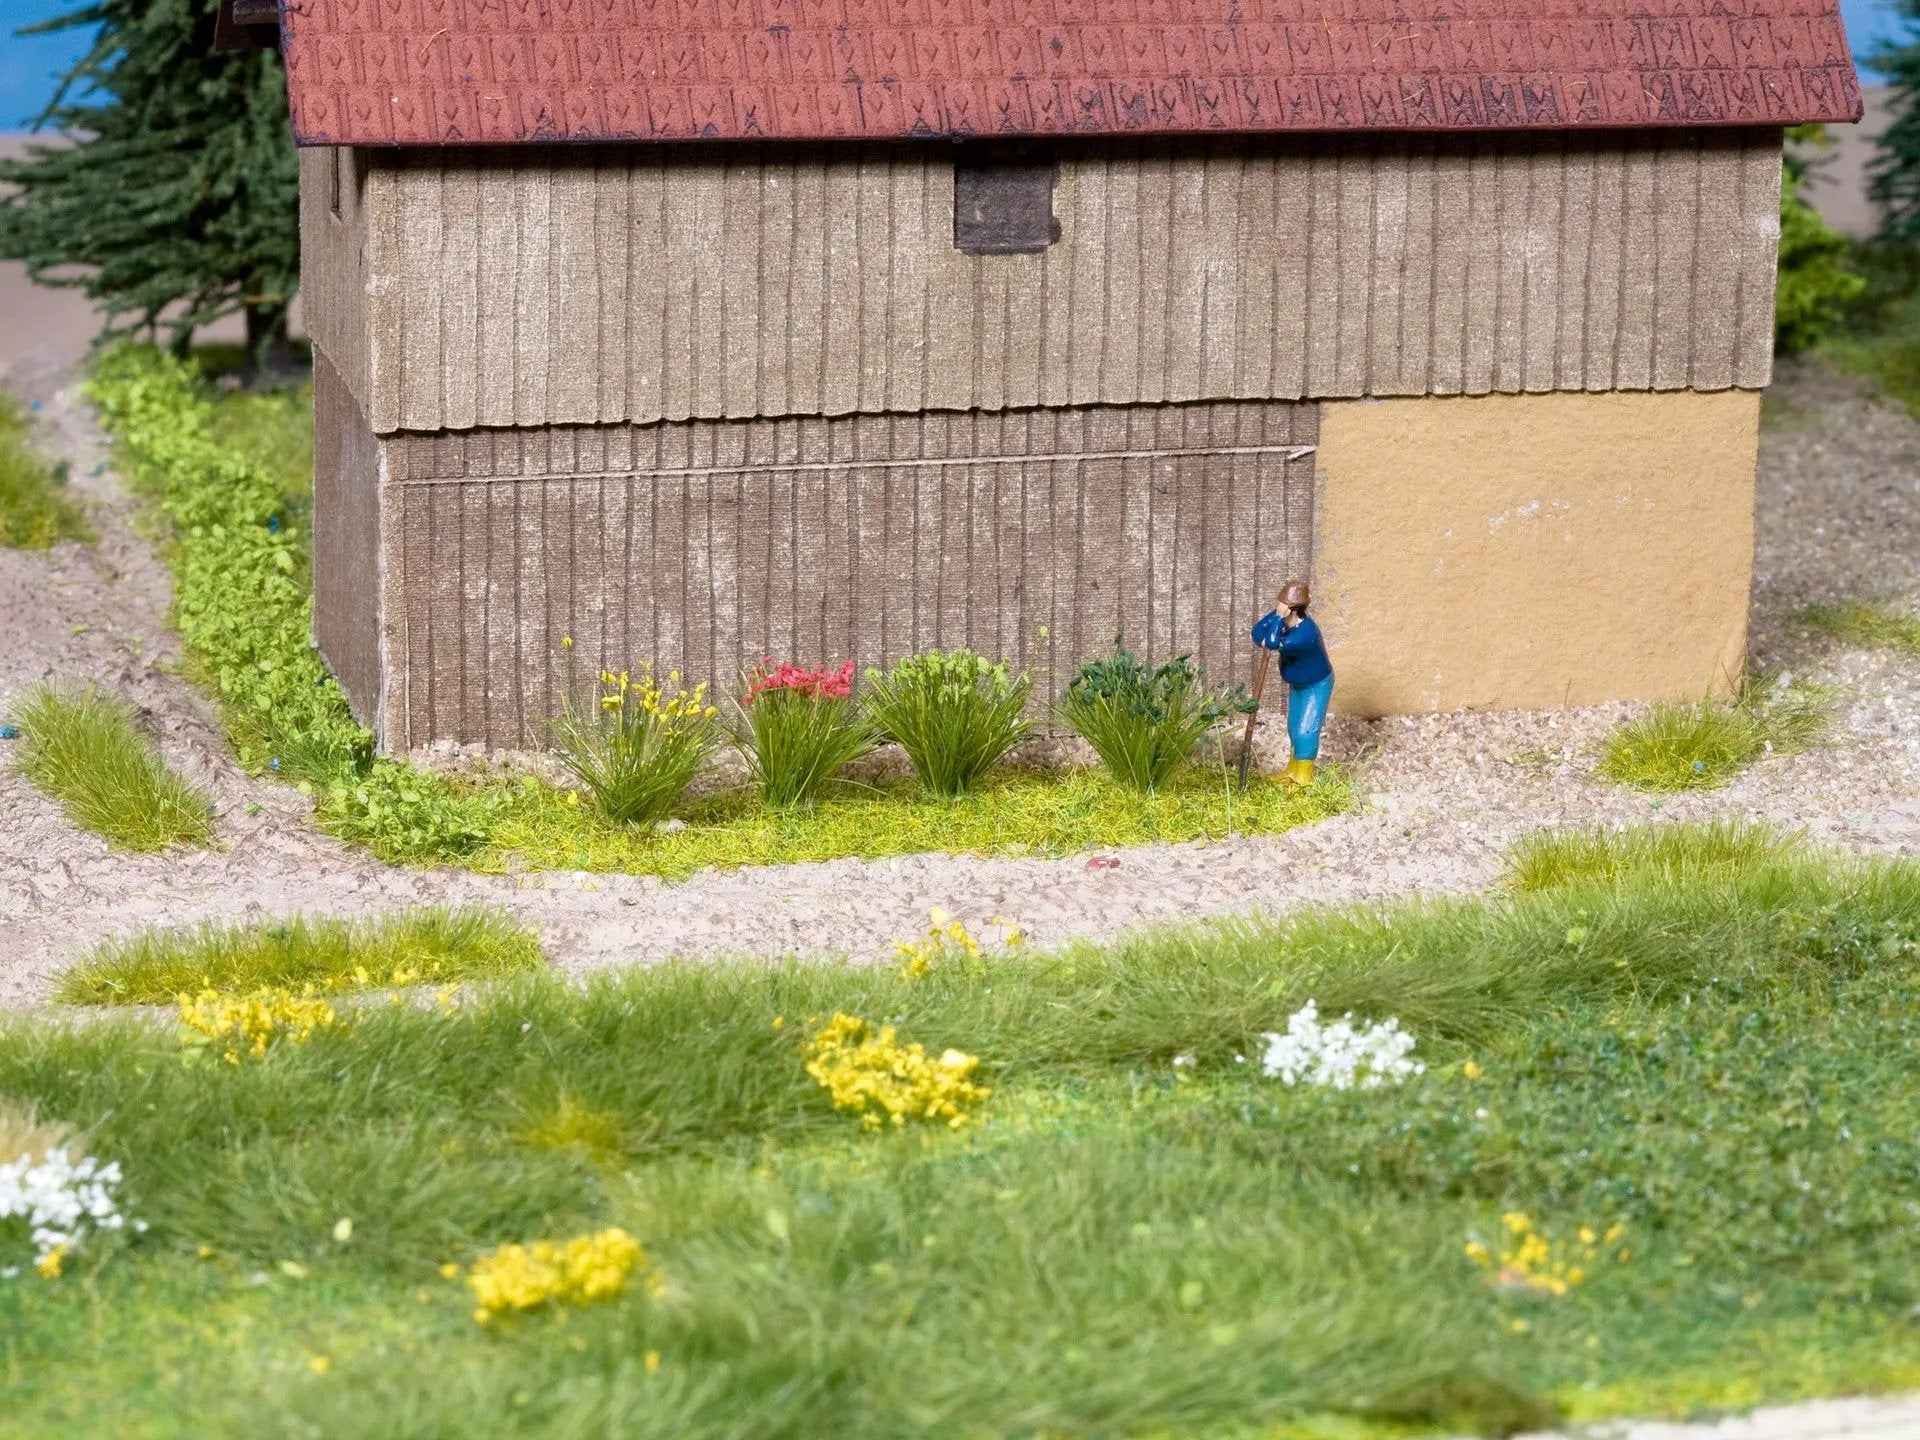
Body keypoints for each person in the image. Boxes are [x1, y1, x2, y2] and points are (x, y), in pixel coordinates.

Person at [1251, 580, 1333, 785]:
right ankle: (1292, 771)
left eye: (1282, 604)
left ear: (1292, 609)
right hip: (1299, 683)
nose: (1278, 607)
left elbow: (1270, 642)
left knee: (1305, 730)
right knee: (1293, 727)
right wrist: (1276, 619)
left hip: (1316, 684)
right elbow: (1257, 633)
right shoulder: (1285, 622)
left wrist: (1277, 618)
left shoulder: (1305, 634)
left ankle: (1304, 778)